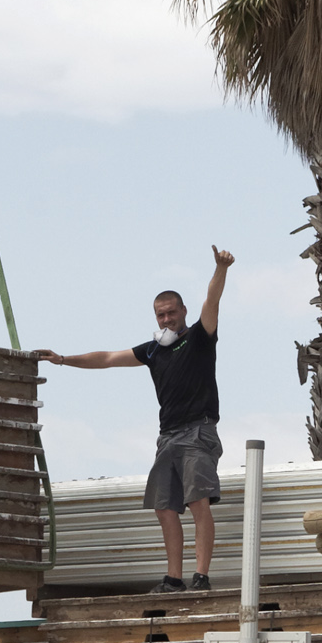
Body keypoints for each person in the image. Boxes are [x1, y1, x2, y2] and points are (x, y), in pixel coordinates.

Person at [34, 247, 232, 590]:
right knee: (164, 508)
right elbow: (108, 357)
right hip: (167, 437)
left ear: (182, 311)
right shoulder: (154, 350)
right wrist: (63, 359)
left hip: (198, 431)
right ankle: (173, 578)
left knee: (197, 501)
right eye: (161, 315)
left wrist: (220, 269)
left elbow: (211, 303)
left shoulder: (199, 338)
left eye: (171, 313)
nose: (167, 319)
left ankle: (201, 576)